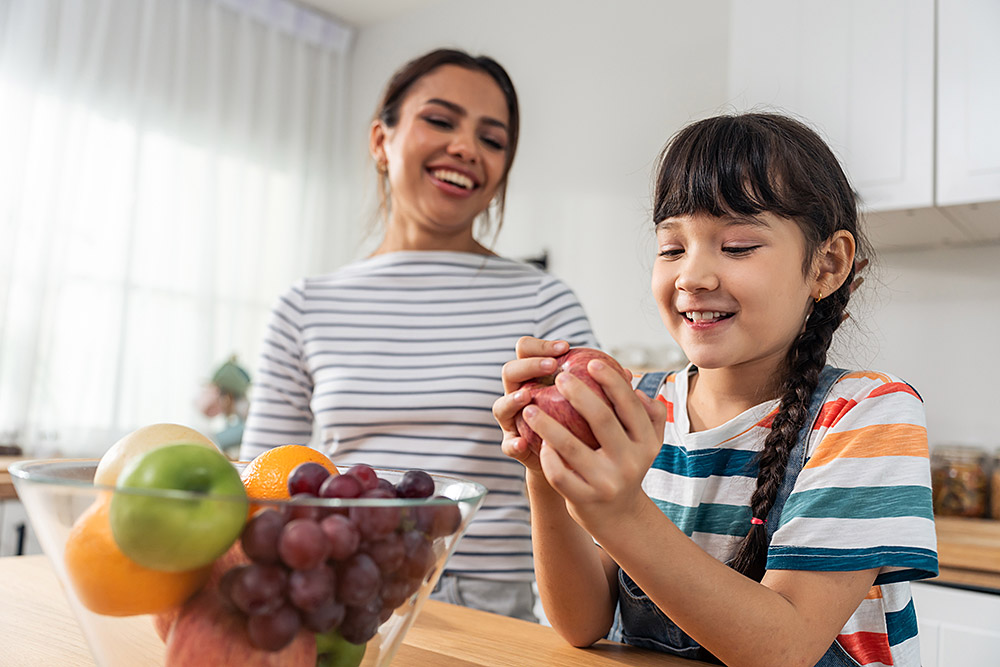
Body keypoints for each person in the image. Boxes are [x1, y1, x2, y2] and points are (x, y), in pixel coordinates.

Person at [493, 113, 937, 665]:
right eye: (672, 247)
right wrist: (545, 470)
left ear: (827, 265)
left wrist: (621, 513)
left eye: (737, 246)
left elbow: (786, 647)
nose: (692, 277)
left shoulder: (867, 414)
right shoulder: (640, 408)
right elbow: (581, 623)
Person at [240, 48, 597, 622]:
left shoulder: (543, 300)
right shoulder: (304, 306)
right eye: (440, 120)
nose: (466, 147)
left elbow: (592, 485)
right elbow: (262, 487)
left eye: (493, 139)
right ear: (381, 141)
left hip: (496, 611)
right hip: (342, 600)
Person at [196, 356, 251, 458]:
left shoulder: (246, 423)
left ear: (227, 397)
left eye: (215, 391)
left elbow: (214, 442)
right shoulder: (236, 418)